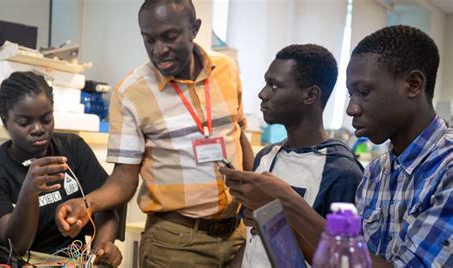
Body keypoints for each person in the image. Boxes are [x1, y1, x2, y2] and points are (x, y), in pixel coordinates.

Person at [220, 25, 452, 267]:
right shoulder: (376, 173)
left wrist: (288, 204)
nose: (352, 108)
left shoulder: (447, 171)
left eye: (363, 92)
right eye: (351, 94)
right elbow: (343, 260)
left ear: (413, 84)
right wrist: (274, 221)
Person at [56, 0, 254, 266]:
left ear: (194, 29)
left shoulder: (227, 69)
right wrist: (87, 204)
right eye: (149, 41)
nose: (159, 50)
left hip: (237, 233)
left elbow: (240, 138)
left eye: (169, 37)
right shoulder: (131, 92)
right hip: (177, 243)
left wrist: (257, 203)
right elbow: (124, 178)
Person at [233, 44, 363, 268]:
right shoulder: (265, 157)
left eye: (274, 85)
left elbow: (343, 260)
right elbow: (253, 241)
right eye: (266, 83)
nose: (262, 94)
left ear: (310, 95)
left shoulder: (343, 173)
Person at [0, 72, 122, 267]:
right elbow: (17, 244)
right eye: (24, 123)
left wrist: (98, 254)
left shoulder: (73, 148)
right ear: (5, 120)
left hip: (73, 262)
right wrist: (29, 191)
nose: (38, 128)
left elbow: (107, 209)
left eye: (46, 119)